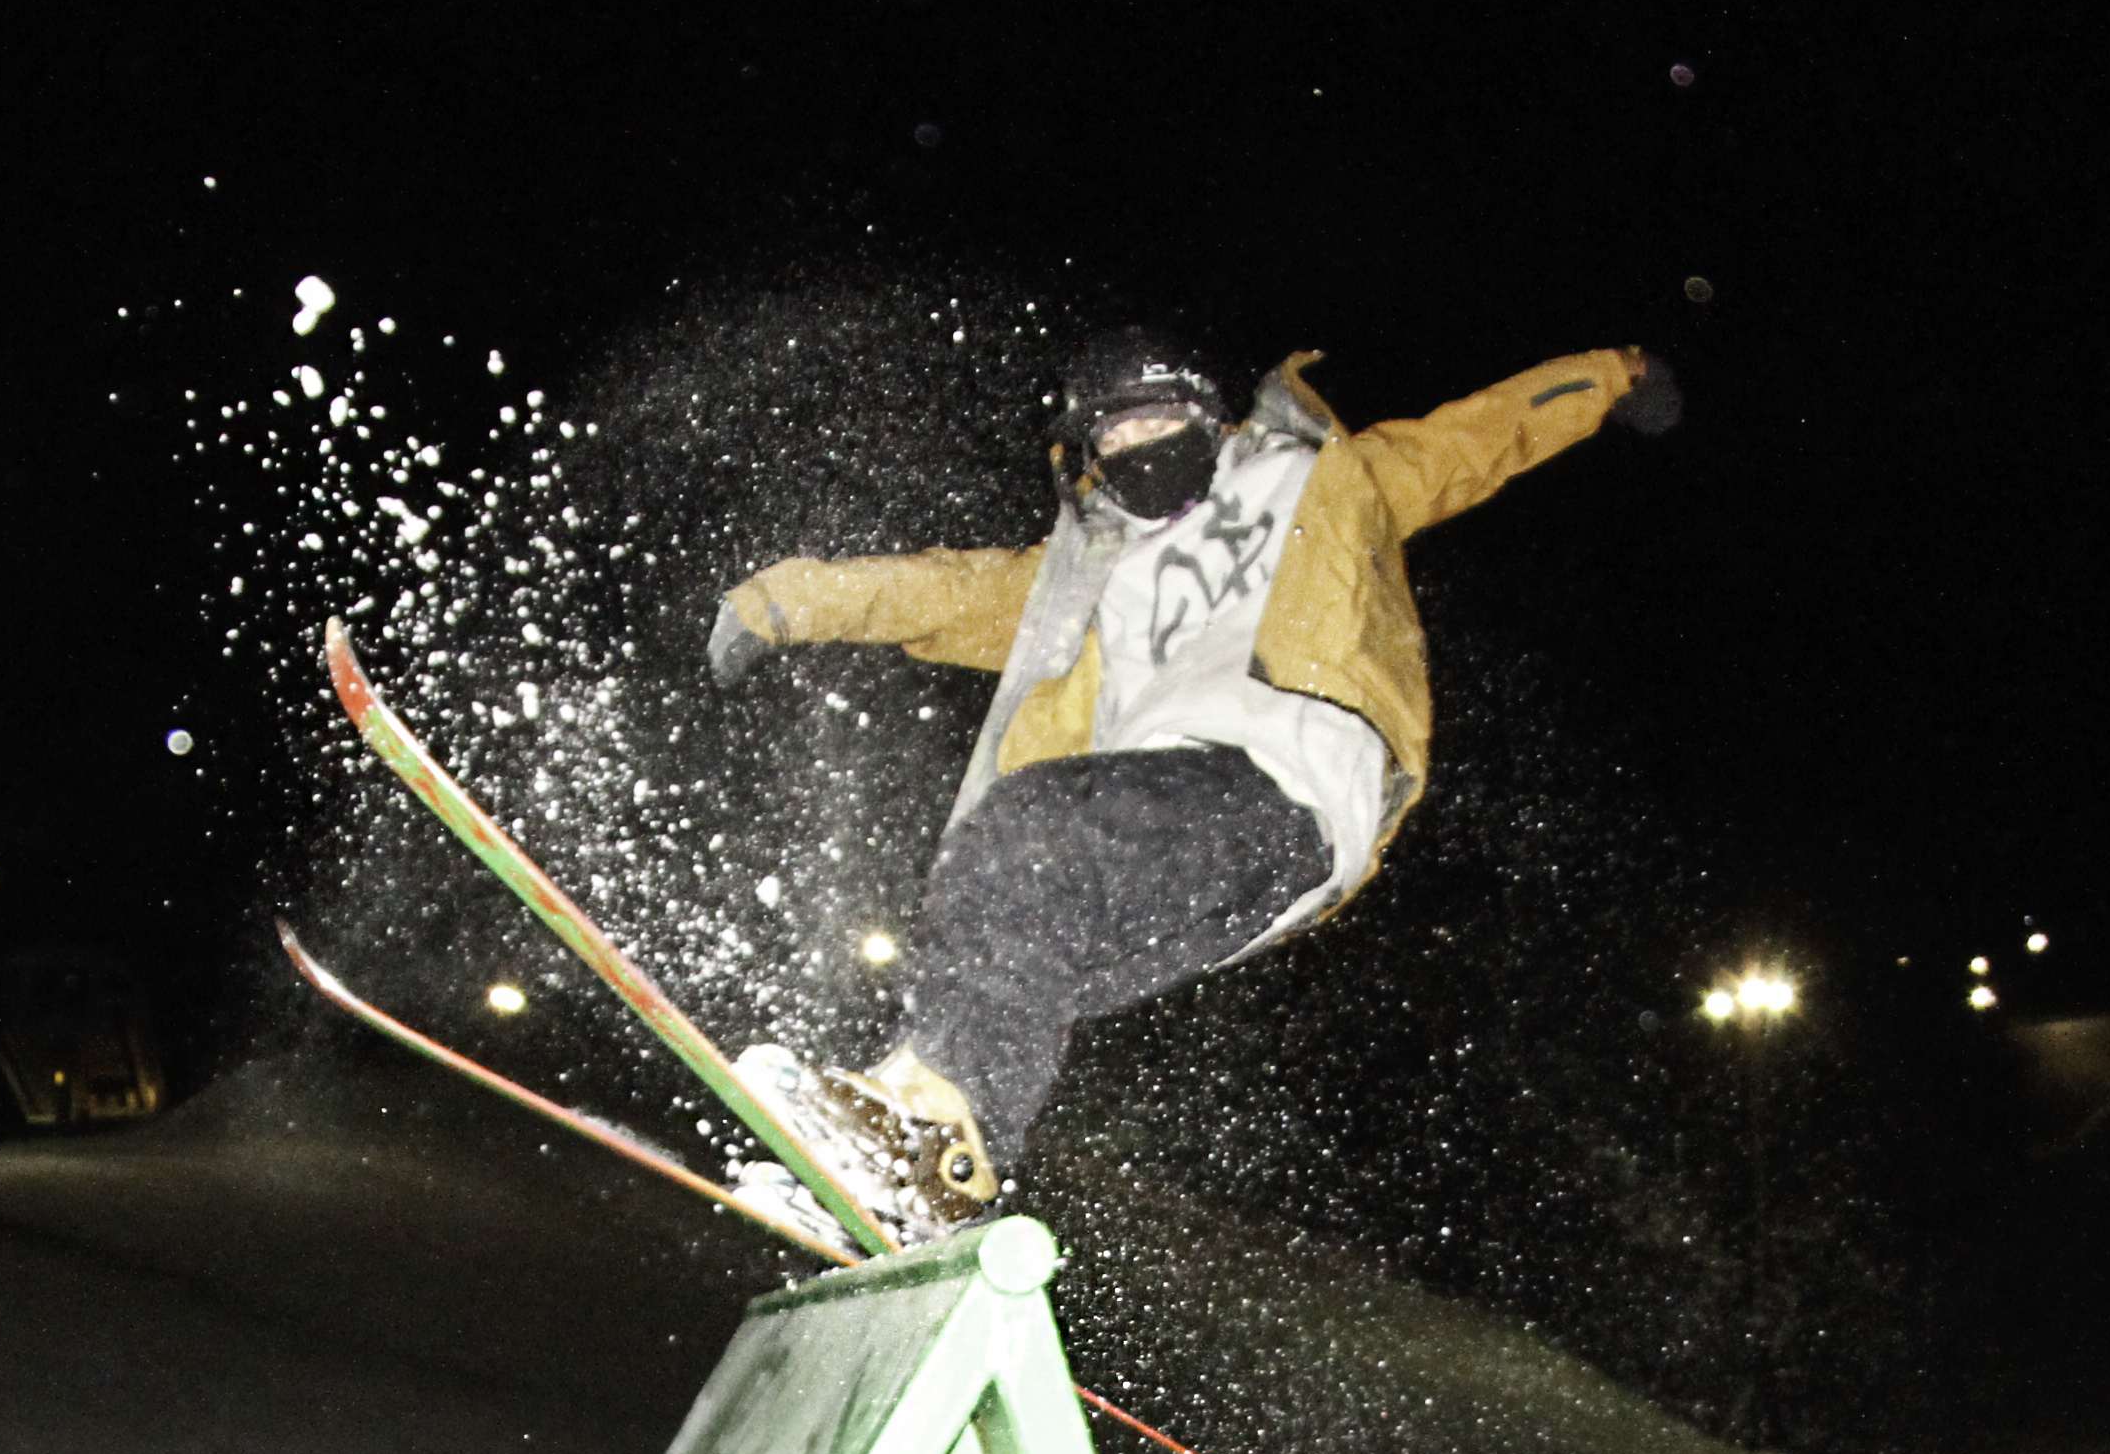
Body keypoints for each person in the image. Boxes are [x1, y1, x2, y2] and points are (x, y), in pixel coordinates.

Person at [706, 325, 1678, 1235]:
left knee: (1030, 830)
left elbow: (1474, 439)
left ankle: (945, 1146)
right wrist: (783, 601)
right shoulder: (1081, 579)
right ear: (1088, 456)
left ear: (1210, 419)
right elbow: (941, 587)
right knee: (1000, 898)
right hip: (1177, 841)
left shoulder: (1321, 481)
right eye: (1115, 432)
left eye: (1157, 419)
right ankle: (904, 1147)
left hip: (1292, 785)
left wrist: (1612, 376)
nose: (1140, 443)